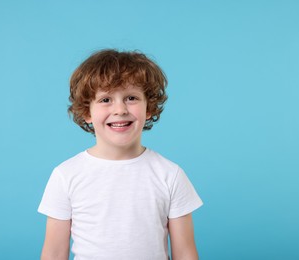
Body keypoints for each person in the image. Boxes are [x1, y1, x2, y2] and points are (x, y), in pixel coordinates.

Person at [38, 49, 203, 260]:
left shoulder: (170, 175)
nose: (120, 109)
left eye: (131, 98)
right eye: (106, 99)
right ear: (87, 112)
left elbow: (185, 253)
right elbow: (53, 254)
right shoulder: (66, 175)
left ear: (149, 107)